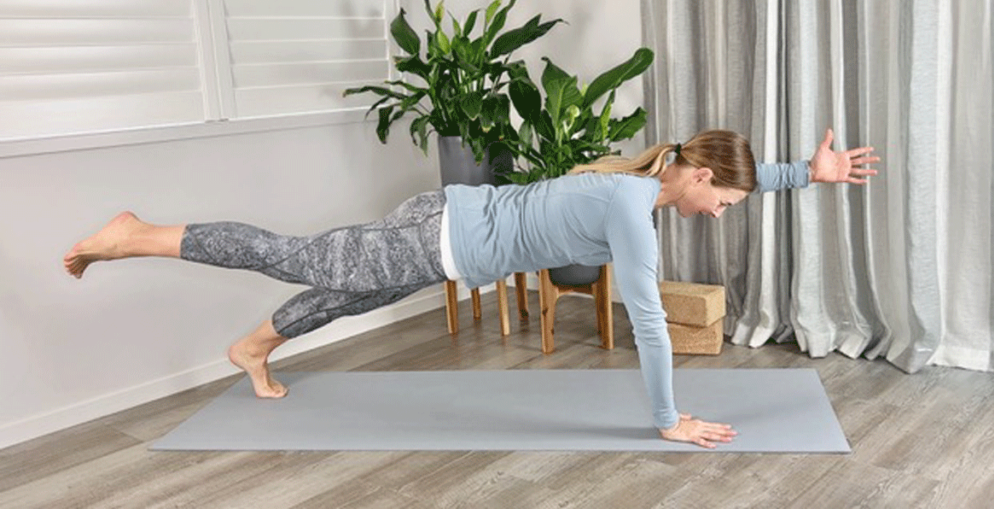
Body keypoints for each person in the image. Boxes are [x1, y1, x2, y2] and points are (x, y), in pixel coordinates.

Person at [63, 128, 878, 449]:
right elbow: (650, 321)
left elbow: (736, 178)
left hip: (444, 233)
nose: (725, 209)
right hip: (438, 236)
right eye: (726, 199)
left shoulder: (647, 186)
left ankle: (253, 346)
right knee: (293, 257)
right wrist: (669, 419)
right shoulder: (632, 210)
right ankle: (137, 233)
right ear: (697, 177)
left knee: (350, 295)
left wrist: (805, 174)